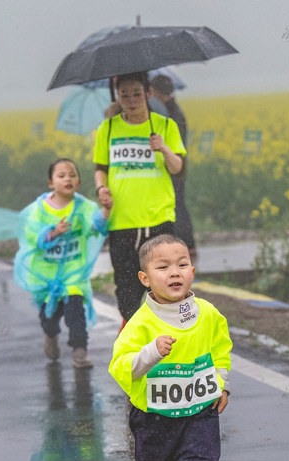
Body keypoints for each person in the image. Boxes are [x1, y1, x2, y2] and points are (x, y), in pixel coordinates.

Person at [108, 234, 231, 461]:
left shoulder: (208, 314)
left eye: (181, 264)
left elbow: (221, 350)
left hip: (200, 416)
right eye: (163, 267)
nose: (174, 272)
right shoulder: (141, 322)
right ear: (145, 278)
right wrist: (150, 353)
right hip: (155, 423)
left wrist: (221, 384)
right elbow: (122, 366)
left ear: (192, 270)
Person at [93, 71, 186, 323]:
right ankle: (136, 339)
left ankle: (166, 342)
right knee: (126, 287)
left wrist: (163, 147)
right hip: (122, 220)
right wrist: (102, 189)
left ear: (148, 93)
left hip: (159, 217)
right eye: (124, 94)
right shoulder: (108, 128)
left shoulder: (165, 126)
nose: (131, 99)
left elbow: (178, 168)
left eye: (136, 93)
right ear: (117, 96)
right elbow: (100, 169)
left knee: (163, 285)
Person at [14, 158, 111, 368]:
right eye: (61, 175)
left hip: (73, 274)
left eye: (72, 174)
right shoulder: (38, 209)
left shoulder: (84, 207)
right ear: (51, 183)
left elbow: (96, 226)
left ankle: (80, 350)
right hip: (45, 276)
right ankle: (50, 336)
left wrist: (106, 211)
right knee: (49, 318)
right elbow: (31, 236)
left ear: (79, 182)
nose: (68, 178)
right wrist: (52, 233)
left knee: (75, 313)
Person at [149, 74, 197, 261]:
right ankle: (187, 244)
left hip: (175, 167)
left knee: (177, 207)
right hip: (176, 165)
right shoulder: (173, 110)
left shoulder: (172, 115)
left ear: (159, 93)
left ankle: (187, 245)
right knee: (179, 205)